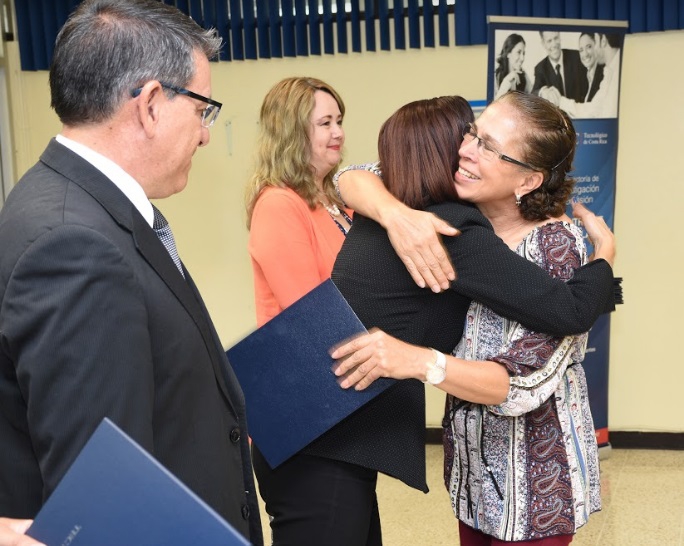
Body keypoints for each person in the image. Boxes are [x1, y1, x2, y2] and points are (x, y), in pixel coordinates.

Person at [0, 1, 262, 544]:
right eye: (202, 110)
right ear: (149, 105)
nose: (206, 134)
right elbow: (104, 508)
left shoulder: (68, 201)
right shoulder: (75, 246)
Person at [332, 91, 608, 545]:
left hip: (535, 489)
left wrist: (419, 361)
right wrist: (396, 215)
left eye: (489, 147)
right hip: (474, 480)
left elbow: (521, 384)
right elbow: (354, 174)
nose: (465, 151)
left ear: (528, 180)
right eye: (473, 134)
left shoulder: (555, 248)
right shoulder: (455, 214)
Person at [245, 77, 365, 546]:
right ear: (293, 131)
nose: (337, 132)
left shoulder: (334, 201)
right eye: (324, 123)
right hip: (301, 417)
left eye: (339, 121)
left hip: (339, 410)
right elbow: (311, 313)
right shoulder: (279, 204)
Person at [547, 33, 622, 119]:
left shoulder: (618, 71)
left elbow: (601, 115)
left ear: (603, 40)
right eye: (581, 50)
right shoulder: (609, 71)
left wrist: (560, 101)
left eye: (592, 44)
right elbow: (593, 108)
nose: (585, 54)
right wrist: (560, 101)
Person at [531, 31, 587, 103]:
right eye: (549, 41)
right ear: (543, 44)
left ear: (560, 37)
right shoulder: (540, 68)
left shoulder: (577, 57)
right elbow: (533, 94)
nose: (554, 44)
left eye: (556, 38)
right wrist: (543, 92)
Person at [494, 33, 533, 98]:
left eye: (523, 53)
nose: (522, 58)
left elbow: (533, 100)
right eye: (519, 52)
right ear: (508, 53)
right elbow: (492, 106)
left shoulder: (524, 76)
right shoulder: (496, 77)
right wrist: (505, 83)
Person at [578, 32, 604, 102]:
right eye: (581, 50)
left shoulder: (603, 74)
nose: (585, 54)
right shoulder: (586, 75)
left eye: (589, 47)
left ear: (596, 46)